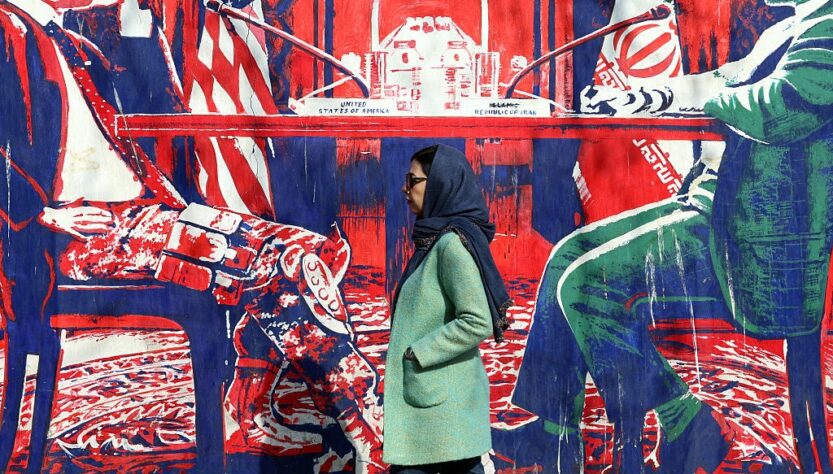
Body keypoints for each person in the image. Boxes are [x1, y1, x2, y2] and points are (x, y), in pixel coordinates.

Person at [0, 1, 384, 472]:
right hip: (73, 236)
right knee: (281, 261)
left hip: (139, 214)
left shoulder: (71, 39)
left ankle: (249, 404)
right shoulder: (8, 25)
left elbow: (141, 115)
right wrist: (41, 213)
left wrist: (139, 26)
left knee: (312, 250)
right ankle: (370, 432)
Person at [510, 0, 833, 471]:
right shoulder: (788, 28)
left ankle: (683, 417)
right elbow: (724, 78)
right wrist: (644, 97)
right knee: (567, 254)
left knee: (584, 284)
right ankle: (553, 433)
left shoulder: (828, 26)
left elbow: (780, 108)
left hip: (752, 245)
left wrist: (711, 100)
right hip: (714, 209)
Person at [382, 144, 511, 473]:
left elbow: (477, 320)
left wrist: (418, 353)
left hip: (441, 409)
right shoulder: (432, 243)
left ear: (440, 183)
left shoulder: (450, 245)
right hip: (433, 408)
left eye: (412, 180)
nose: (405, 189)